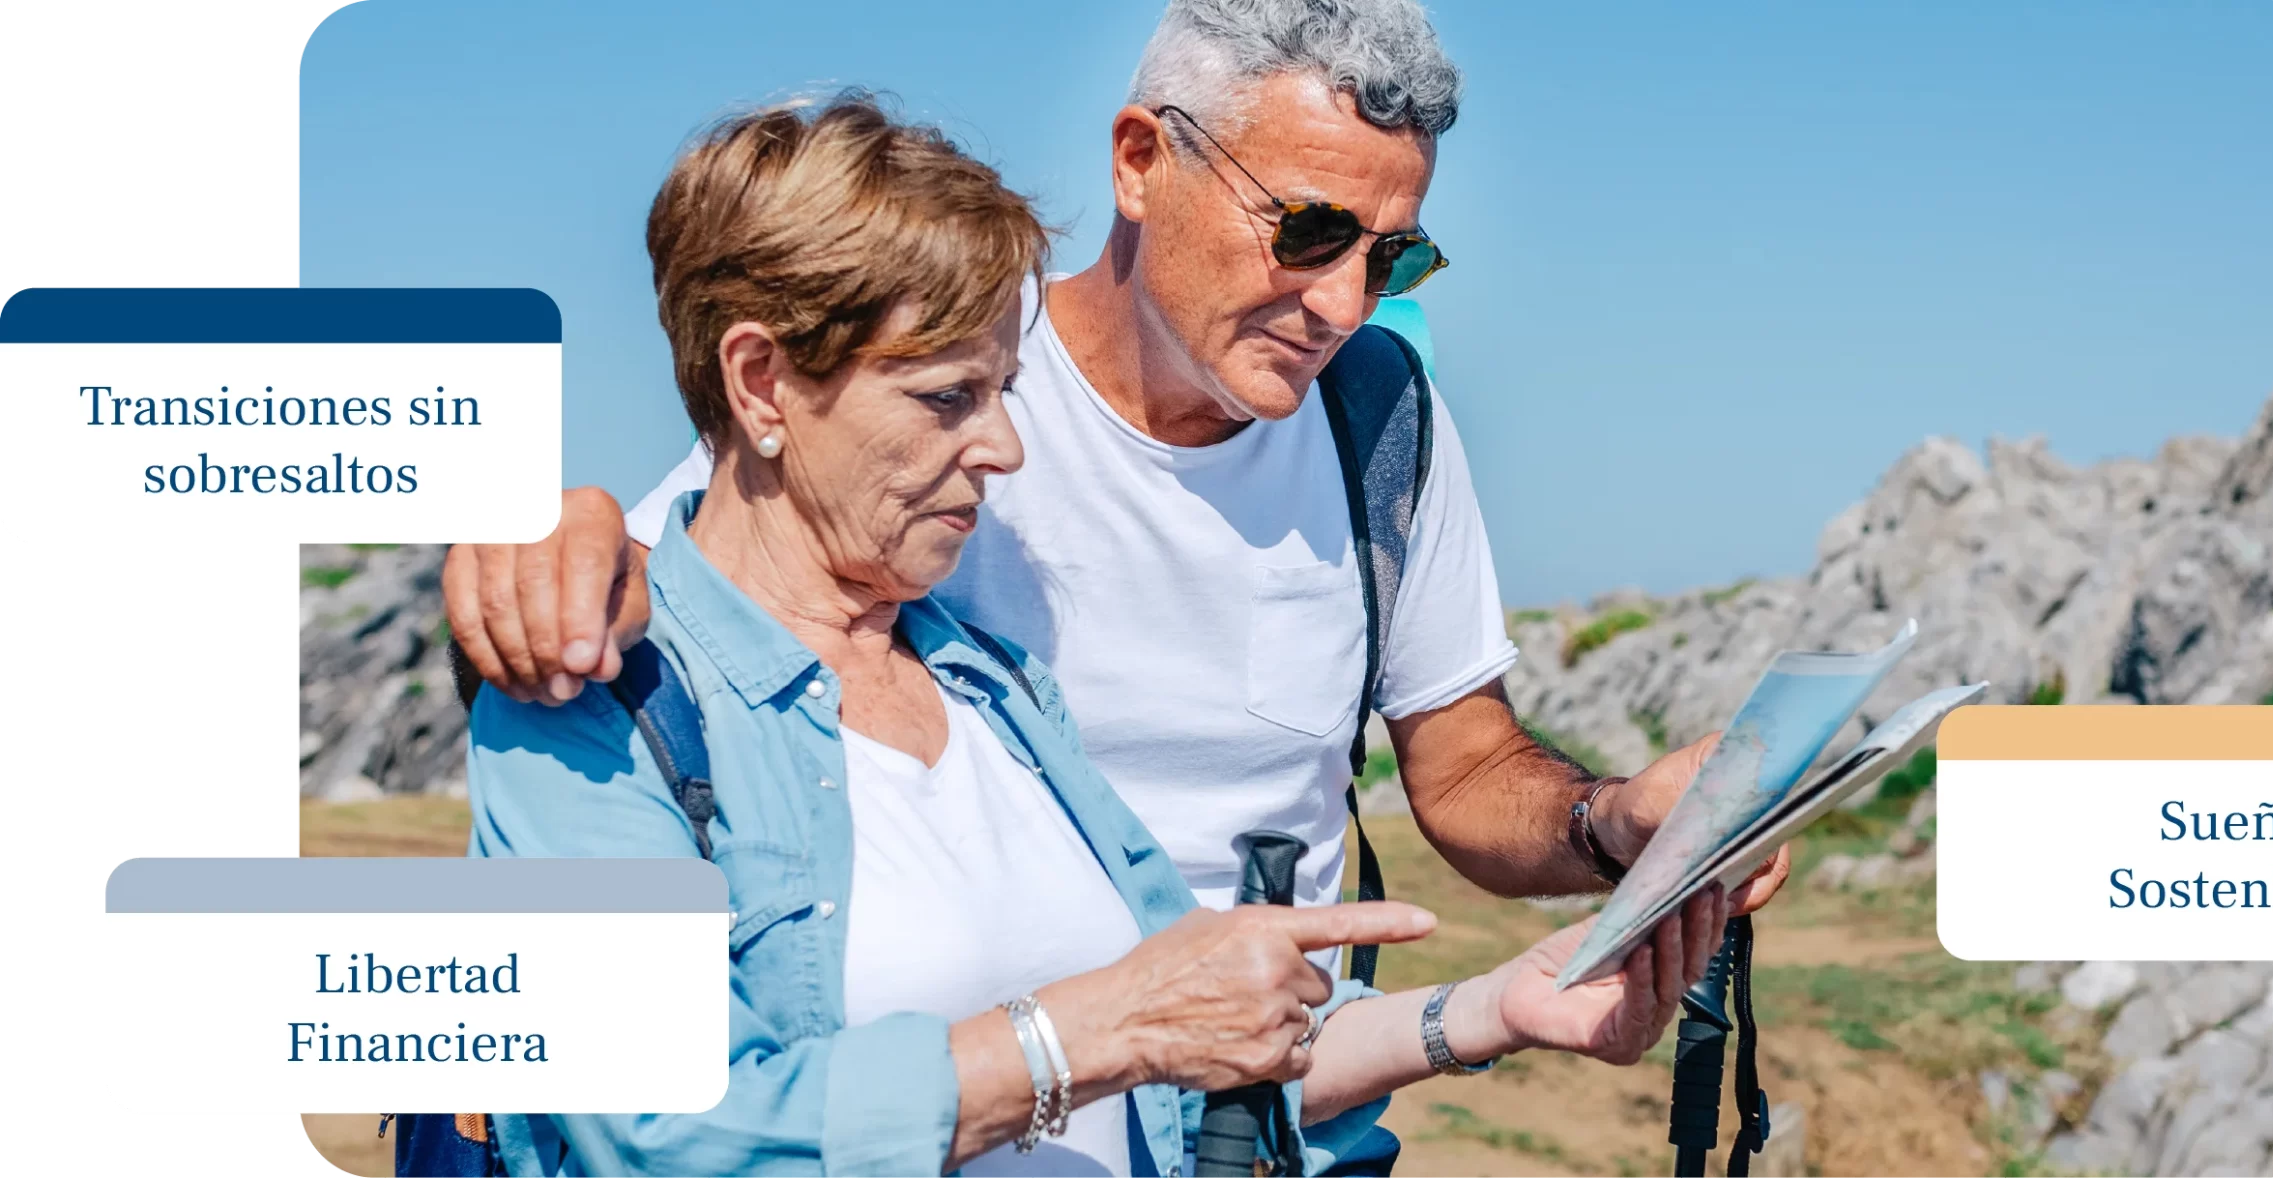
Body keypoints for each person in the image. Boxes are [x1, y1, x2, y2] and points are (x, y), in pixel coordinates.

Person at [447, 1, 1791, 1168]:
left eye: (1391, 259)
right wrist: (544, 537)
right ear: (1140, 160)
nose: (1343, 304)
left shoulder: (1363, 435)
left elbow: (1452, 774)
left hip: (1266, 1124)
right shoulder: (944, 346)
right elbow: (679, 569)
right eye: (1310, 229)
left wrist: (1604, 840)